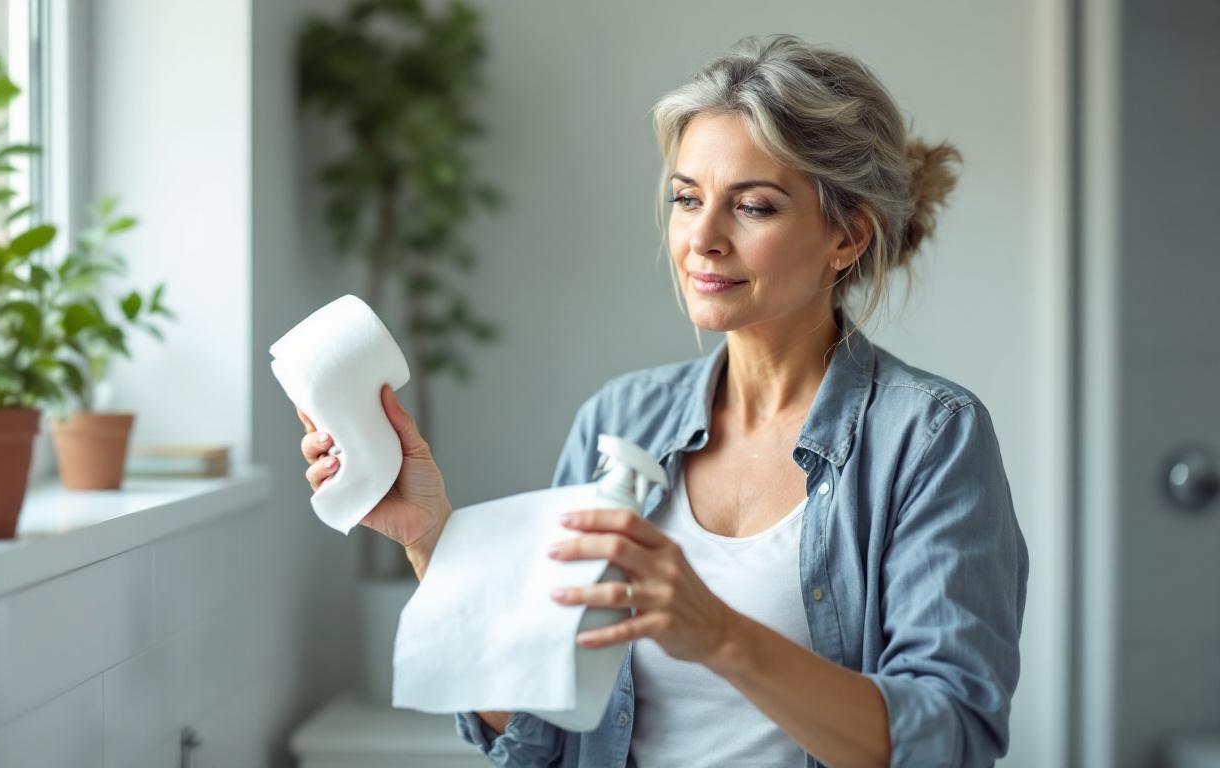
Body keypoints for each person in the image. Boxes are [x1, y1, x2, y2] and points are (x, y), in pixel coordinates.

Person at [297, 33, 1028, 768]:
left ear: (846, 237)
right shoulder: (618, 421)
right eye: (687, 198)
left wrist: (718, 633)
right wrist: (429, 539)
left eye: (754, 207)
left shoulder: (930, 439)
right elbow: (540, 737)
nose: (702, 239)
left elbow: (951, 741)